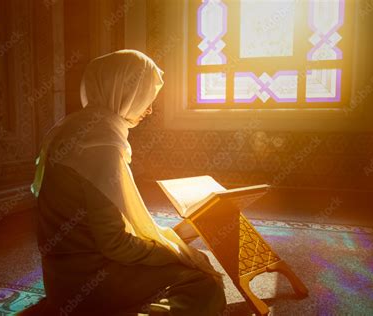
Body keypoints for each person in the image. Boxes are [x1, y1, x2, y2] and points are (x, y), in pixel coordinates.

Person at [29, 50, 226, 315]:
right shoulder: (100, 144)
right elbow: (116, 245)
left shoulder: (75, 126)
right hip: (86, 283)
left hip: (59, 277)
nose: (150, 109)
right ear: (124, 92)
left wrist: (171, 242)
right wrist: (177, 253)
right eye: (146, 97)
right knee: (203, 279)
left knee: (180, 256)